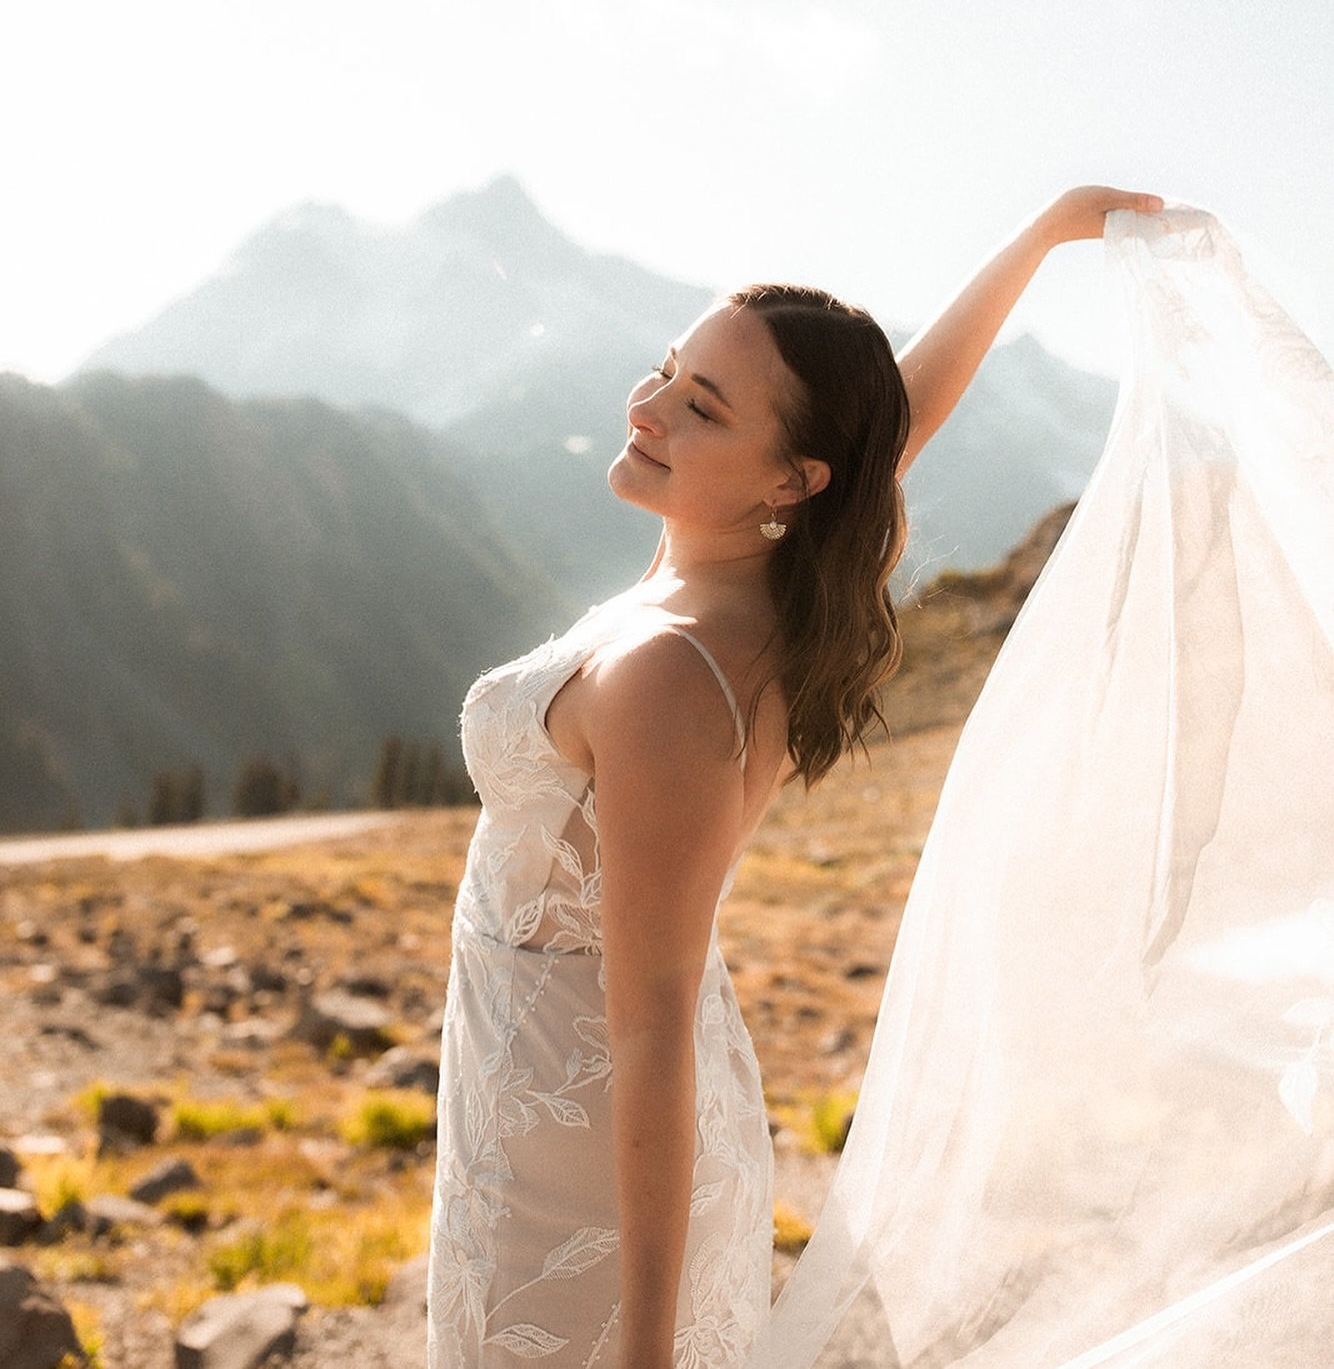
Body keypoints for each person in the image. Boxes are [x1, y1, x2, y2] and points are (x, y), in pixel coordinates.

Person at [426, 185, 1164, 1369]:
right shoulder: (739, 570)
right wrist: (1041, 234)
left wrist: (646, 1349)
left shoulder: (670, 666)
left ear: (789, 482)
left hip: (582, 1164)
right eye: (669, 367)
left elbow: (652, 1026)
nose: (650, 404)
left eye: (699, 404)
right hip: (538, 1100)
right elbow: (886, 426)